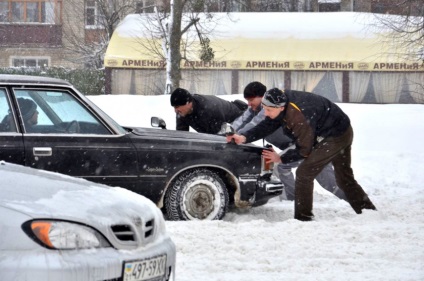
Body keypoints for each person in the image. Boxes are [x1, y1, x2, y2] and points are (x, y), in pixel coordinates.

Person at [227, 88, 376, 221]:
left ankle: (303, 219)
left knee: (304, 173)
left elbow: (305, 149)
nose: (265, 113)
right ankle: (368, 211)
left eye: (268, 110)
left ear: (280, 107)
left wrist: (281, 158)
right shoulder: (280, 102)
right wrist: (244, 137)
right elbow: (267, 124)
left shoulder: (298, 116)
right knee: (344, 178)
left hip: (335, 136)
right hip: (336, 130)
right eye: (264, 109)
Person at [232, 82, 347, 201]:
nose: (249, 104)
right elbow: (241, 121)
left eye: (251, 100)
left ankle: (291, 200)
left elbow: (256, 124)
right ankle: (355, 198)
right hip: (299, 145)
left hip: (312, 143)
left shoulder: (270, 107)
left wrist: (241, 136)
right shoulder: (256, 109)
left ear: (262, 97)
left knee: (280, 166)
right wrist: (230, 133)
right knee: (326, 181)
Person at [170, 88, 247, 134]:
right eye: (174, 107)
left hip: (240, 116)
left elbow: (217, 138)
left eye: (177, 107)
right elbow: (182, 135)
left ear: (188, 103)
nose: (175, 111)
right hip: (219, 123)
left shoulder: (208, 110)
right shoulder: (181, 112)